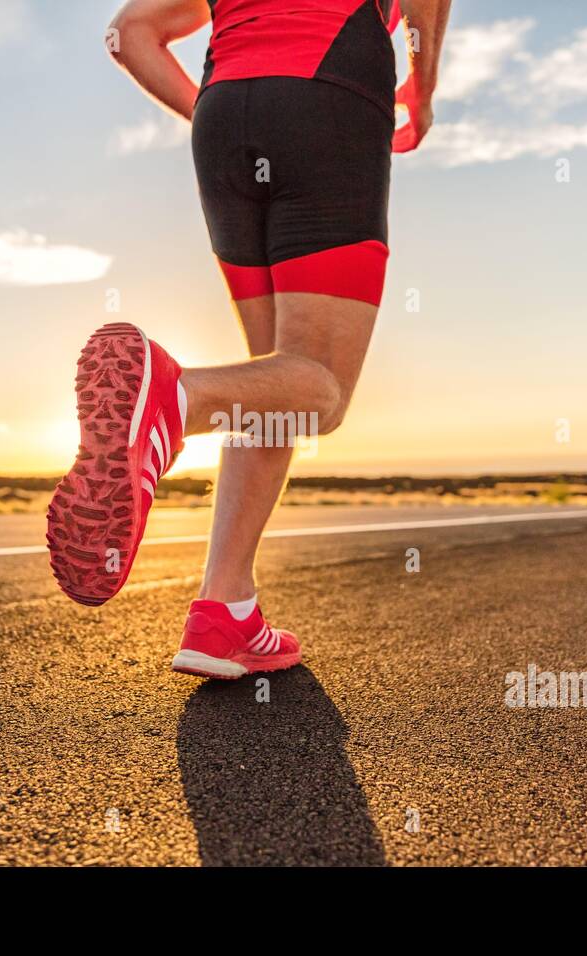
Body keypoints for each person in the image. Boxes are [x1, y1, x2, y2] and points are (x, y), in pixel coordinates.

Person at [48, 0, 451, 679]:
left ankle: (224, 609)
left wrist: (213, 108)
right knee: (319, 390)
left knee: (270, 383)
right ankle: (175, 397)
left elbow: (130, 34)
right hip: (331, 99)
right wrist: (424, 86)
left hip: (226, 123)